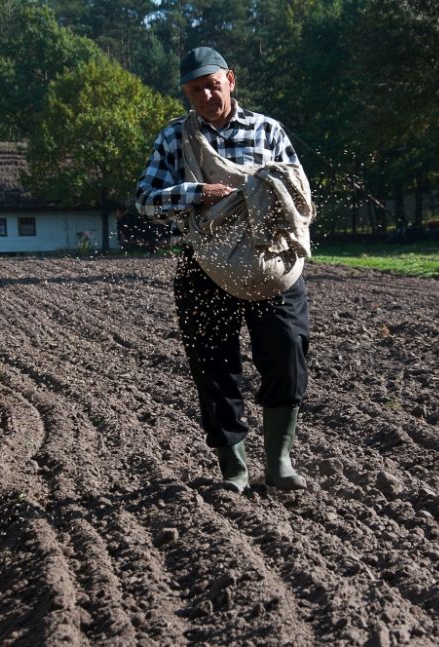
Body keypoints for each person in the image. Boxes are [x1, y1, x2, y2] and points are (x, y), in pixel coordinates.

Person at [136, 47, 311, 493]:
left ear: (230, 79)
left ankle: (279, 462)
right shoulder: (175, 138)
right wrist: (196, 193)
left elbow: (295, 190)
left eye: (212, 85)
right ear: (185, 93)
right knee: (213, 366)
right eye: (195, 90)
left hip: (270, 260)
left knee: (288, 352)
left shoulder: (268, 130)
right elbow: (144, 199)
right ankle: (234, 469)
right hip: (203, 265)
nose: (206, 95)